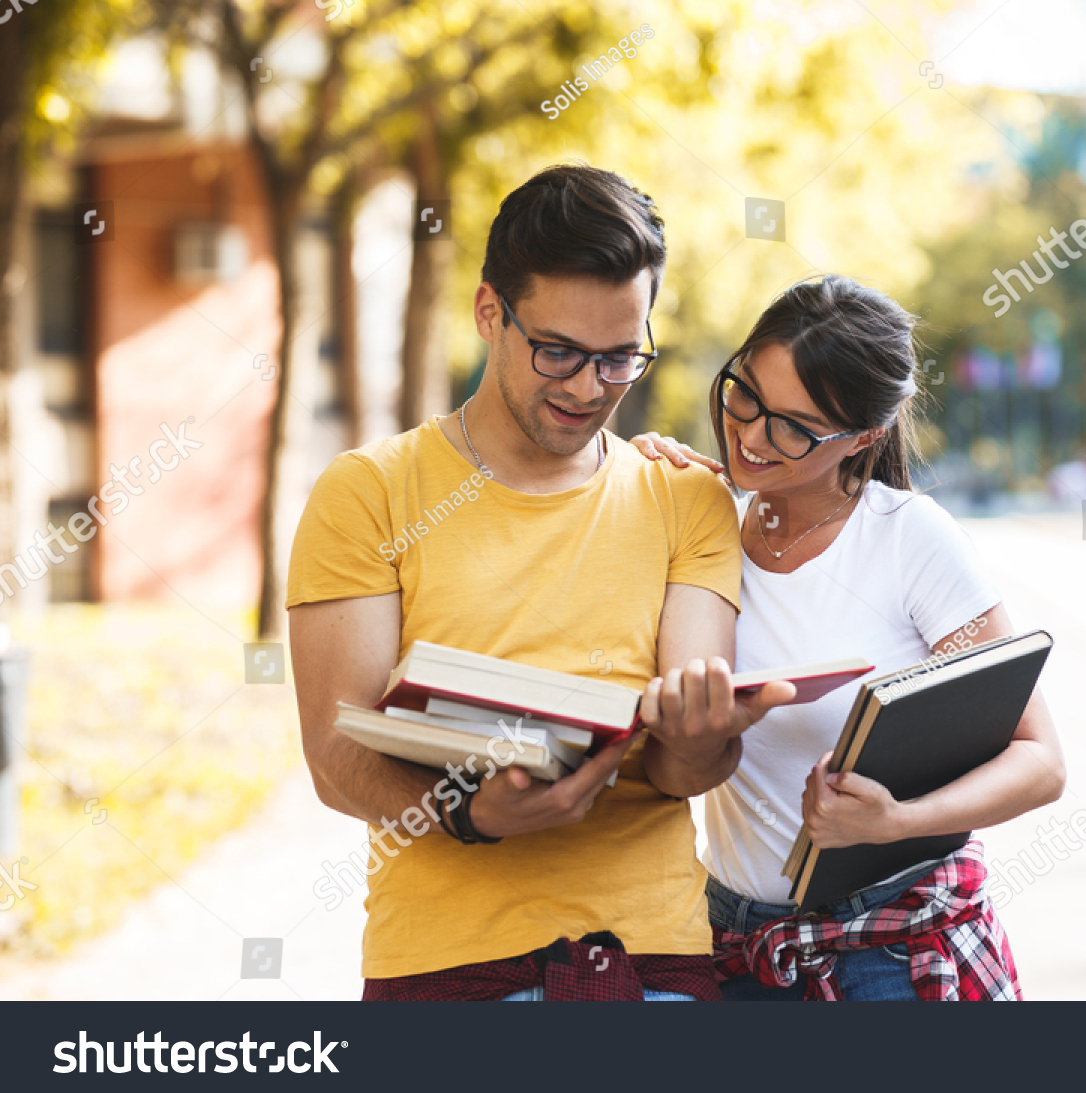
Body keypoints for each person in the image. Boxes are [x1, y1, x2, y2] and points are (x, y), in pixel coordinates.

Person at [287, 164, 792, 1002]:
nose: (589, 388)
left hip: (650, 960)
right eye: (558, 351)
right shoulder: (368, 492)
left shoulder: (686, 497)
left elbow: (678, 769)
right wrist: (467, 812)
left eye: (619, 357)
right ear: (490, 313)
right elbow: (337, 753)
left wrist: (706, 732)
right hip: (444, 970)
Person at [632, 275, 1066, 1000]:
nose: (749, 434)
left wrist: (898, 820)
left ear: (864, 435)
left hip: (890, 951)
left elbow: (1041, 760)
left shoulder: (906, 541)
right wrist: (626, 476)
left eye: (792, 427)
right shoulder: (701, 524)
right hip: (739, 949)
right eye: (744, 394)